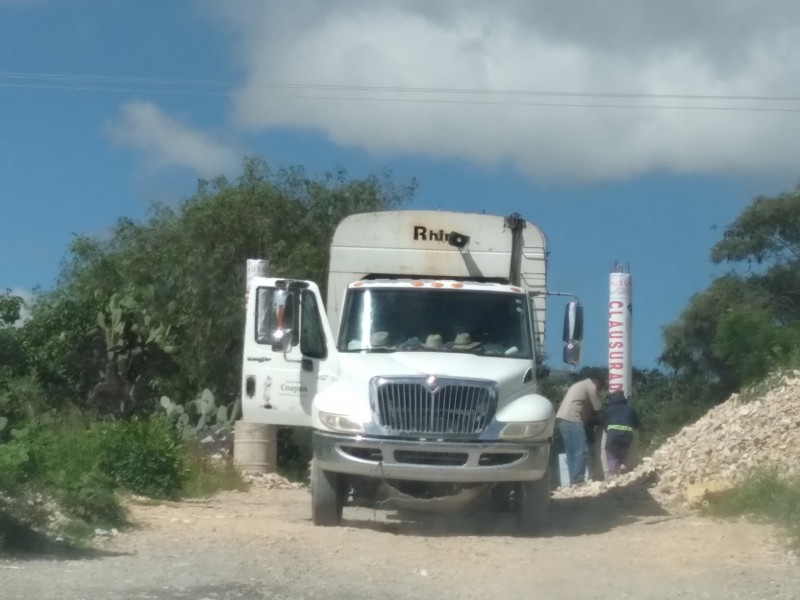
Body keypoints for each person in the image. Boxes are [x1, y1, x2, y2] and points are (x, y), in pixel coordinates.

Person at [555, 375, 606, 486]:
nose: (600, 392)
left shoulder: (579, 385)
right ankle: (578, 480)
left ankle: (573, 480)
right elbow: (598, 410)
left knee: (571, 452)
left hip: (562, 419)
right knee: (581, 450)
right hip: (573, 418)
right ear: (598, 385)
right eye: (601, 390)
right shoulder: (591, 387)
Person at [603, 390, 640, 476]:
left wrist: (607, 430)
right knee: (623, 451)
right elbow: (637, 424)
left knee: (611, 453)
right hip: (626, 435)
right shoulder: (630, 409)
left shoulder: (609, 410)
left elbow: (604, 423)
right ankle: (622, 465)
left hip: (612, 434)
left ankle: (613, 472)